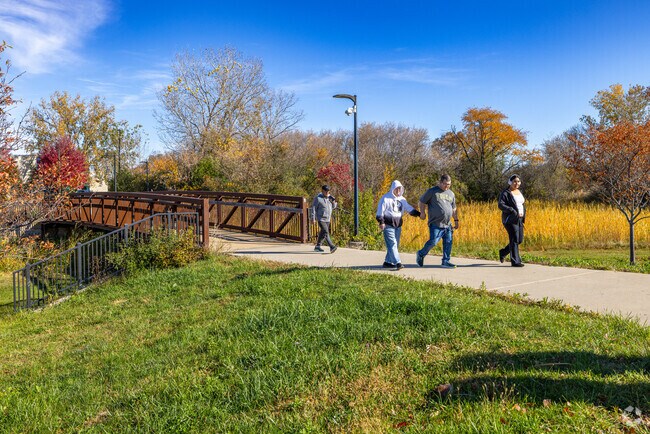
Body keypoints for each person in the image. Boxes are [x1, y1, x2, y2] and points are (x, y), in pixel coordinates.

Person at [416, 174, 459, 268]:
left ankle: (445, 261)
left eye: (449, 184)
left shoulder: (451, 193)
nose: (447, 186)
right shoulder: (432, 191)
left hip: (447, 224)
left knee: (448, 242)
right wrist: (422, 213)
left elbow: (454, 208)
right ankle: (421, 254)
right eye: (445, 184)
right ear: (440, 182)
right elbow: (421, 202)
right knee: (434, 241)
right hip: (436, 223)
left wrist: (456, 220)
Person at [376, 180, 420, 270]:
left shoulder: (402, 199)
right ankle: (398, 262)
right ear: (393, 189)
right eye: (397, 189)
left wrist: (418, 214)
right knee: (392, 244)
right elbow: (380, 211)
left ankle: (388, 262)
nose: (398, 191)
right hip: (388, 225)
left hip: (398, 225)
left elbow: (408, 208)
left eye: (400, 189)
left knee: (395, 244)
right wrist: (381, 222)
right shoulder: (385, 198)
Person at [498, 174, 525, 267]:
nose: (516, 183)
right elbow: (501, 205)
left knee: (519, 240)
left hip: (520, 219)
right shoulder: (506, 193)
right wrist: (512, 210)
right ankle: (515, 261)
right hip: (510, 219)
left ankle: (503, 252)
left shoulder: (519, 192)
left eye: (518, 181)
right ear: (510, 182)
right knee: (514, 239)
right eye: (514, 181)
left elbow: (521, 204)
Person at [311, 185, 338, 253]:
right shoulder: (318, 198)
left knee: (323, 233)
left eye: (328, 191)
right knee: (326, 232)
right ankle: (332, 246)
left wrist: (334, 201)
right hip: (321, 218)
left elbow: (333, 207)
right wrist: (313, 218)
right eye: (326, 191)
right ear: (322, 191)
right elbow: (313, 208)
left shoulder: (329, 198)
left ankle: (317, 246)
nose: (327, 193)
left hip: (328, 219)